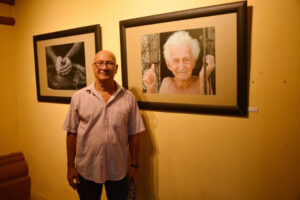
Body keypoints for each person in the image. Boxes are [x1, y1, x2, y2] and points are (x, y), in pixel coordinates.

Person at [63, 50, 145, 200]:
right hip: (86, 169)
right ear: (93, 67)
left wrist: (135, 167)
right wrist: (70, 166)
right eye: (100, 63)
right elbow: (71, 133)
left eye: (109, 63)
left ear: (116, 68)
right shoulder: (79, 97)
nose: (104, 67)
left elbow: (135, 134)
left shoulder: (128, 98)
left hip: (118, 170)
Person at [143, 31, 215, 94]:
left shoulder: (202, 82)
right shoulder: (166, 83)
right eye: (176, 60)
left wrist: (203, 78)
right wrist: (150, 88)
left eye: (186, 59)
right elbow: (158, 109)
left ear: (194, 62)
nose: (181, 66)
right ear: (168, 64)